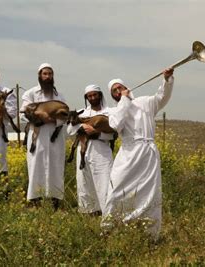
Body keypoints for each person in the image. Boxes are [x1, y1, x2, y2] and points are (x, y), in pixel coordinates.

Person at [101, 68, 174, 238]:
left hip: (148, 152)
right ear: (113, 95)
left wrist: (167, 80)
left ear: (127, 87)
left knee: (148, 193)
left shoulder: (145, 102)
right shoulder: (113, 111)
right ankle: (109, 228)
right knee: (117, 189)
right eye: (114, 90)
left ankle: (148, 233)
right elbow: (116, 124)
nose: (118, 91)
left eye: (120, 87)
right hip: (128, 153)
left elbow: (162, 97)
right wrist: (124, 101)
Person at [21, 63, 67, 210]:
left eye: (50, 74)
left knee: (56, 167)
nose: (47, 77)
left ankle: (55, 202)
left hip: (55, 136)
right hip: (37, 136)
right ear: (39, 76)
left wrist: (53, 120)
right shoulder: (30, 94)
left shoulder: (59, 96)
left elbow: (65, 117)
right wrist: (41, 117)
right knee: (36, 166)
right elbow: (23, 114)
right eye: (45, 74)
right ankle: (35, 202)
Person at [66, 84, 114, 216]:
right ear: (86, 98)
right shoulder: (83, 112)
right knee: (84, 181)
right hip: (84, 150)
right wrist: (83, 126)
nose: (92, 98)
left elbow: (113, 134)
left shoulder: (109, 112)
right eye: (89, 96)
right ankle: (89, 211)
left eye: (95, 95)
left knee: (104, 181)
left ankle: (107, 213)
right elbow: (70, 130)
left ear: (100, 95)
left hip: (101, 150)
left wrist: (96, 132)